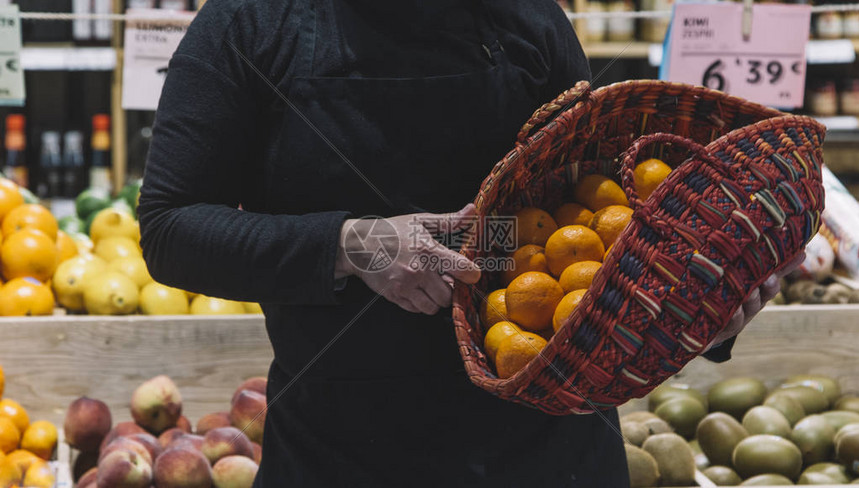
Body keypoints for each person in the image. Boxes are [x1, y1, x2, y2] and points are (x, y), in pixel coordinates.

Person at [138, 1, 797, 486]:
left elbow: (602, 228)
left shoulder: (530, 21)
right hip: (342, 450)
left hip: (552, 455)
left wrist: (698, 312)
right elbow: (171, 228)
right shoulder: (248, 25)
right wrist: (355, 244)